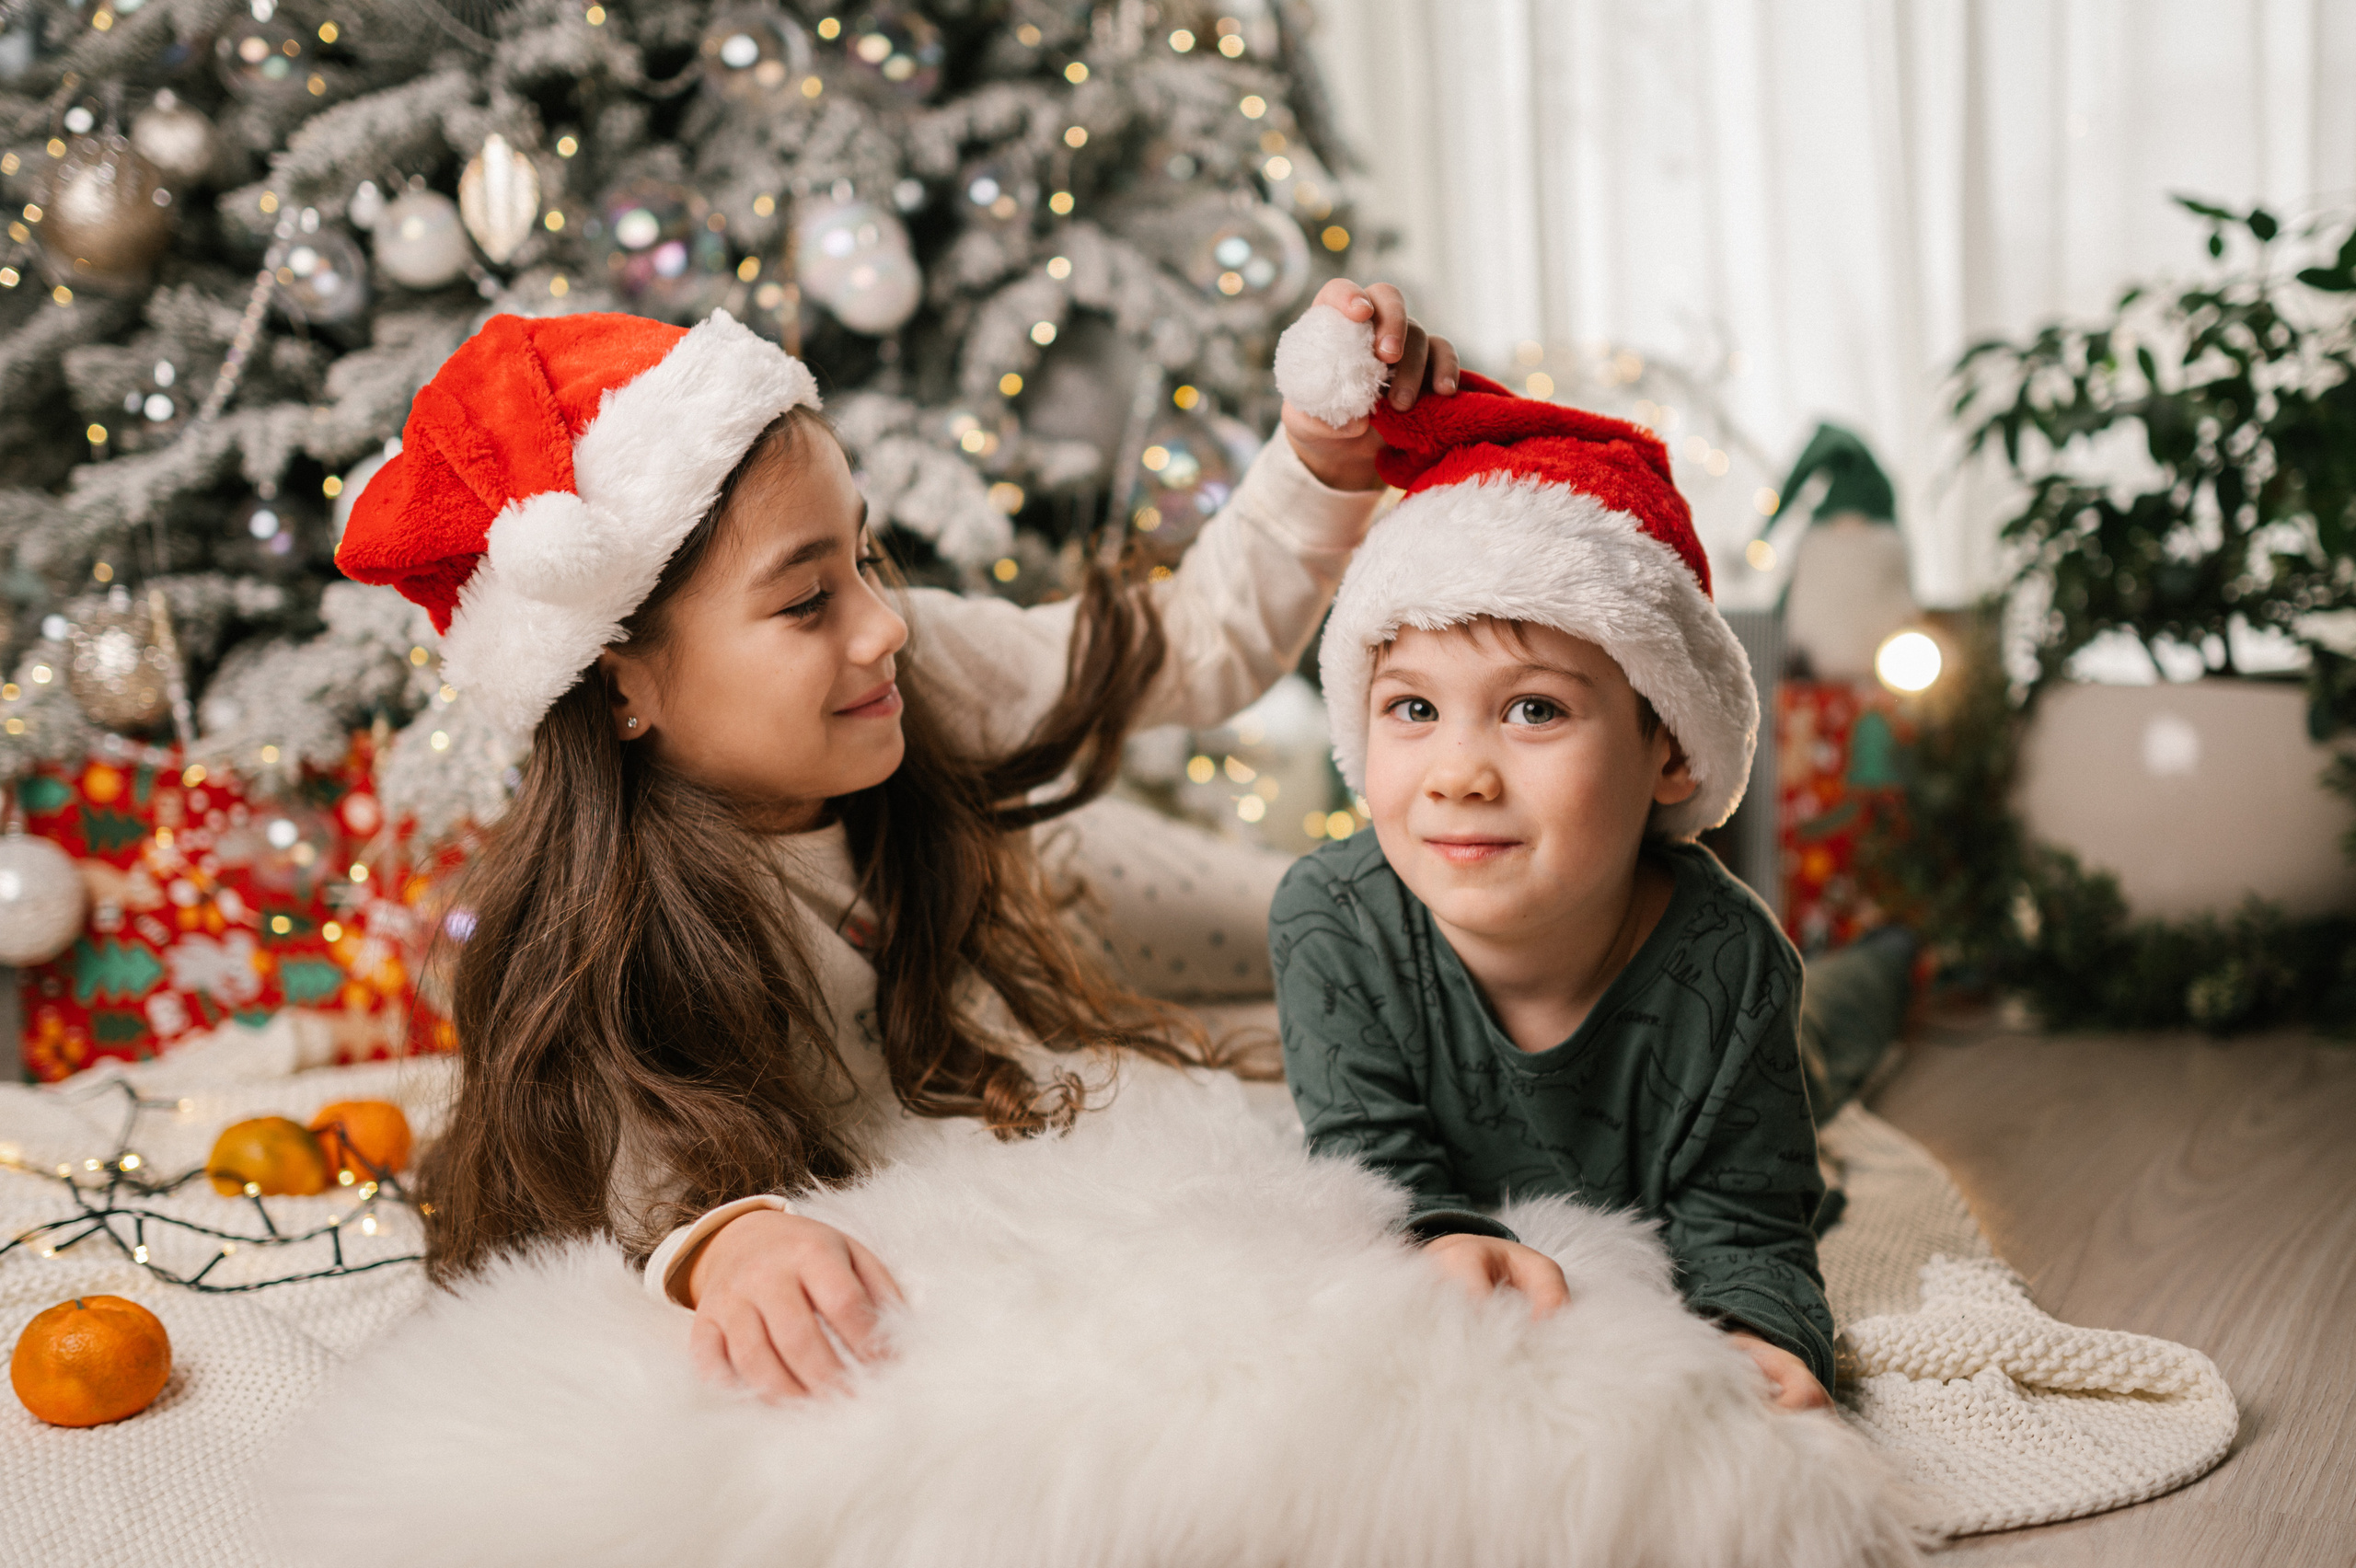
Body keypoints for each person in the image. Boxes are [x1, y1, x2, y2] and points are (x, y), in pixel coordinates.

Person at [334, 282, 1459, 1402]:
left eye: (863, 560)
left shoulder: (912, 674)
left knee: (1356, 933)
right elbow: (647, 1161)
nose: (883, 624)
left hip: (1067, 884)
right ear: (625, 686)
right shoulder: (612, 925)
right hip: (1033, 982)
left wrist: (1320, 457)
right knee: (1312, 1006)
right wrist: (734, 1245)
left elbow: (1189, 643)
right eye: (805, 601)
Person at [1265, 303, 1835, 1411]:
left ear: (1667, 749)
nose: (1459, 774)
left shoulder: (1726, 965)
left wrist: (1766, 1338)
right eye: (1413, 709)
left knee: (1840, 1073)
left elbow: (1752, 1227)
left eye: (1531, 710)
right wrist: (1437, 1246)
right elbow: (1374, 1177)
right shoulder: (1331, 920)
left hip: (1734, 1049)